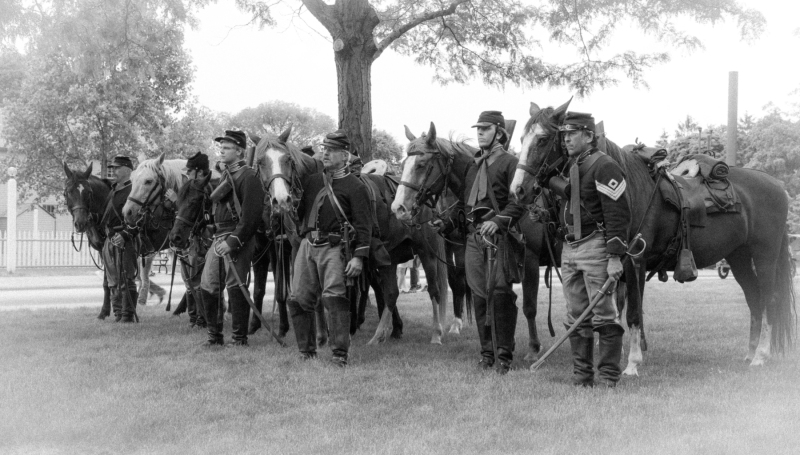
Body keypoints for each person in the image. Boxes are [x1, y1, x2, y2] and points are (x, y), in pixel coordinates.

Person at [558, 112, 631, 388]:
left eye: (572, 133)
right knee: (575, 314)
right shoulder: (572, 165)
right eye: (564, 135)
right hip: (570, 247)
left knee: (603, 313)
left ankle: (609, 377)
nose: (566, 139)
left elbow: (618, 213)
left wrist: (614, 256)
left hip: (595, 246)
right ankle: (582, 377)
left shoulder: (604, 165)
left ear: (589, 136)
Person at [287, 130, 372, 367]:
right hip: (307, 244)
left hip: (335, 248)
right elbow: (300, 214)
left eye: (332, 150)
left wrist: (358, 257)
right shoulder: (312, 181)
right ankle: (306, 351)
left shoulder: (355, 186)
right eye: (324, 149)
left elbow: (364, 226)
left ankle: (339, 354)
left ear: (344, 156)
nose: (325, 153)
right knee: (298, 298)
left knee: (334, 298)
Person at [463, 110, 524, 374]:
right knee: (478, 295)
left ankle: (504, 356)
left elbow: (520, 201)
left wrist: (498, 221)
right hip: (475, 238)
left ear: (499, 132)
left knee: (500, 294)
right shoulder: (475, 164)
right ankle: (486, 353)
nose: (479, 133)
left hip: (499, 237)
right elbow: (469, 204)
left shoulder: (510, 163)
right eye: (478, 129)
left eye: (485, 129)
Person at [198, 131, 264, 347]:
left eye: (227, 147)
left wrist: (233, 242)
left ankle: (239, 338)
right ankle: (214, 336)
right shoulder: (227, 176)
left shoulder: (249, 177)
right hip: (218, 237)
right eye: (222, 147)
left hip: (237, 238)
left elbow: (251, 218)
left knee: (236, 286)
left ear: (240, 151)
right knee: (208, 285)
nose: (222, 151)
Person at [100, 155, 139, 323]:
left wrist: (125, 235)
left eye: (117, 168)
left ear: (128, 170)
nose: (113, 171)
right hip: (110, 238)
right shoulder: (114, 189)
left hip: (126, 239)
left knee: (126, 278)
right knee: (112, 279)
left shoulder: (134, 190)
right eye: (113, 168)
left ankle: (127, 315)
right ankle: (118, 314)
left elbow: (140, 218)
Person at [179, 151, 211, 329]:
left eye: (190, 171)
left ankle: (201, 318)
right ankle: (194, 317)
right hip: (193, 238)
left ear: (199, 172)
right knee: (190, 279)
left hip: (203, 239)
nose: (188, 174)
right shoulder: (193, 187)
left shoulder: (205, 189)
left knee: (197, 279)